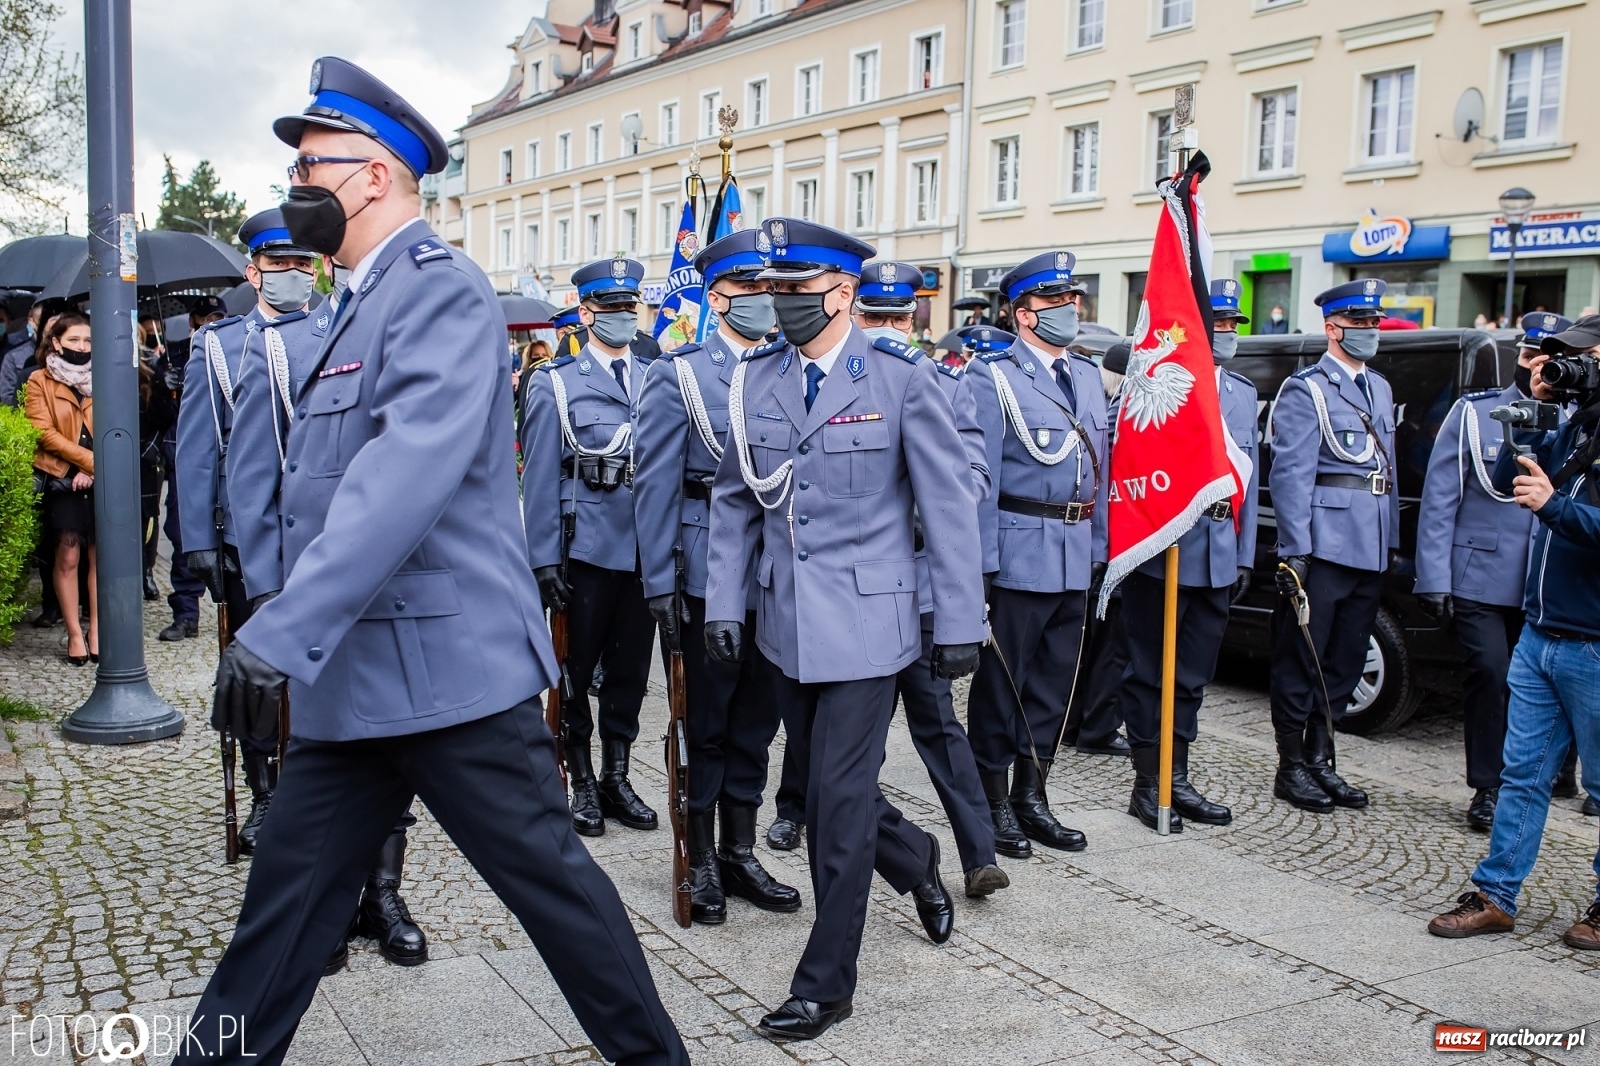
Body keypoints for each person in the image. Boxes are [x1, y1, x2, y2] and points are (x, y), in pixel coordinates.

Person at [171, 56, 687, 1066]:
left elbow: (400, 477)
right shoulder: (354, 302)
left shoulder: (438, 291)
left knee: (560, 900)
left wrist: (279, 630)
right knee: (275, 928)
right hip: (355, 682)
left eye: (312, 166)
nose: (296, 189)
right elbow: (318, 492)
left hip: (451, 681)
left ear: (371, 175)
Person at [705, 217, 984, 1041]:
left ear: (843, 292)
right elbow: (734, 500)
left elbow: (950, 505)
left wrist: (960, 620)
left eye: (797, 291)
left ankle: (826, 984)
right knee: (840, 796)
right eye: (774, 290)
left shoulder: (901, 379)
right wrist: (725, 602)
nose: (782, 305)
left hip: (872, 625)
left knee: (832, 803)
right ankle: (916, 860)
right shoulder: (758, 379)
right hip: (786, 624)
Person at [631, 228, 800, 925]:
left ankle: (738, 848)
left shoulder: (788, 367)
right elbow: (654, 484)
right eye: (754, 289)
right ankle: (698, 855)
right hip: (704, 568)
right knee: (705, 721)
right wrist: (659, 582)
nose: (767, 301)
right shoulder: (680, 374)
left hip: (776, 569)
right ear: (720, 295)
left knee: (758, 721)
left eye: (774, 288)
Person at [1427, 313, 1600, 947]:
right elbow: (1506, 482)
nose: (1558, 364)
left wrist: (1555, 504)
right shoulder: (1580, 424)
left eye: (1575, 357)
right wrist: (1531, 415)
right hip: (1542, 634)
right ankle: (1497, 894)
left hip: (1594, 644)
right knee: (1521, 774)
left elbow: (1566, 513)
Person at [855, 265, 1008, 898]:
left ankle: (979, 854)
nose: (892, 328)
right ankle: (800, 813)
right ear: (854, 314)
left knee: (938, 722)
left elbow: (974, 470)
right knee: (852, 732)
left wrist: (932, 494)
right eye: (877, 317)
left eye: (902, 317)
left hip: (918, 586)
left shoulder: (947, 380)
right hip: (860, 588)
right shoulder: (835, 384)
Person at [963, 251, 1108, 858]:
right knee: (1004, 684)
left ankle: (1033, 793)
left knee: (1053, 684)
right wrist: (983, 571)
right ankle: (992, 798)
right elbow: (980, 481)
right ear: (1023, 314)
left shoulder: (1090, 377)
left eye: (1072, 300)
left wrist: (1099, 554)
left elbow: (1097, 473)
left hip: (1074, 553)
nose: (1069, 311)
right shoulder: (990, 377)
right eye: (1055, 303)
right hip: (1018, 554)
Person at [1415, 311, 1573, 832]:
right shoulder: (1476, 411)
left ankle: (1534, 781)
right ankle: (1487, 786)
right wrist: (1433, 576)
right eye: (1531, 355)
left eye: (1551, 358)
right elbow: (1441, 498)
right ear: (1518, 355)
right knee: (1489, 673)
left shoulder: (1574, 416)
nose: (1538, 366)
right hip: (1478, 573)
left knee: (1538, 686)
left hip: (1544, 582)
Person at [522, 257, 660, 836]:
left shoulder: (656, 377)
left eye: (631, 307)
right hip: (586, 552)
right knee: (575, 670)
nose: (624, 317)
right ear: (586, 314)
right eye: (611, 308)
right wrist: (544, 558)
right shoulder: (555, 381)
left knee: (629, 673)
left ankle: (616, 774)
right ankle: (578, 776)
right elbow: (539, 478)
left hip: (644, 553)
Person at [1117, 279, 1258, 832]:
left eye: (1231, 326)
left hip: (1218, 549)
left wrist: (1244, 553)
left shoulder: (1243, 392)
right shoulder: (1155, 380)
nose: (1225, 334)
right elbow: (1131, 459)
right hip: (1164, 545)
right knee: (1150, 671)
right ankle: (1149, 781)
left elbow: (1251, 475)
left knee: (1193, 676)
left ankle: (1179, 775)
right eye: (1217, 324)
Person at [1268, 279, 1398, 812]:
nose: (1369, 332)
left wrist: (1388, 541)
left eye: (1374, 323)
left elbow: (1383, 471)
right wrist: (1295, 547)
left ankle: (1322, 758)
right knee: (1304, 659)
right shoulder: (1309, 389)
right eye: (1359, 323)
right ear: (1333, 327)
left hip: (1369, 544)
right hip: (1324, 546)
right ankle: (1291, 765)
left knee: (1345, 659)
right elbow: (1291, 473)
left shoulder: (1381, 388)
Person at [25, 311, 97, 665]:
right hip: (61, 479)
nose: (81, 347)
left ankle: (97, 630)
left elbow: (122, 424)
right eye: (73, 341)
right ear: (55, 342)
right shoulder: (39, 380)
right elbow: (42, 432)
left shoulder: (106, 376)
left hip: (103, 478)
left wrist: (97, 469)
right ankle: (73, 633)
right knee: (68, 556)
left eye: (87, 341)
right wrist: (85, 461)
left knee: (103, 557)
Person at [158, 295, 225, 642]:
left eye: (219, 316)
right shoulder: (174, 356)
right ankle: (186, 613)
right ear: (193, 321)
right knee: (185, 535)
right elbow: (156, 417)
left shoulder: (237, 348)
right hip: (183, 460)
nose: (212, 322)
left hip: (228, 459)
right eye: (206, 317)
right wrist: (162, 388)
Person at [136, 318, 177, 602]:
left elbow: (163, 418)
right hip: (110, 450)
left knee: (147, 514)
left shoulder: (151, 369)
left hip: (146, 451)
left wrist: (163, 388)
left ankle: (146, 571)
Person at [0, 303, 44, 406]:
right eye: (43, 320)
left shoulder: (64, 352)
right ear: (31, 321)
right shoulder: (14, 356)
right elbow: (8, 397)